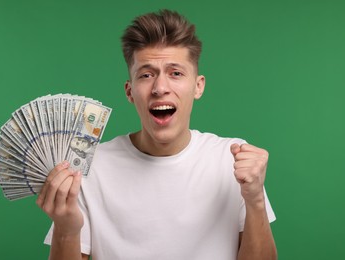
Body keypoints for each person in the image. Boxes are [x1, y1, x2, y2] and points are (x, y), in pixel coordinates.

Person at [36, 9, 277, 260]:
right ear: (130, 92)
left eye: (176, 73)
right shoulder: (88, 167)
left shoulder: (231, 159)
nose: (160, 88)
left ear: (198, 86)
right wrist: (66, 231)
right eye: (146, 75)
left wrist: (255, 200)